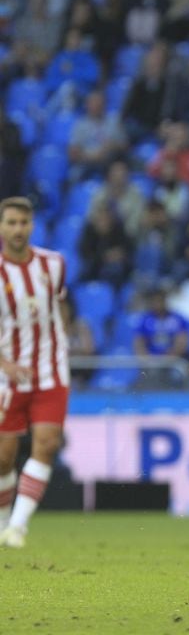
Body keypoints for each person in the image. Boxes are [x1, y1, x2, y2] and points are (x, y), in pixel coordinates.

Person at [0, 198, 70, 548]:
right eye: (11, 222)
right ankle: (2, 525)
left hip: (51, 371)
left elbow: (60, 304)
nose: (18, 229)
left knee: (47, 443)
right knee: (3, 457)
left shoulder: (53, 264)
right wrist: (5, 365)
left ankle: (18, 526)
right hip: (7, 377)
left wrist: (64, 340)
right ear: (1, 227)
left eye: (23, 222)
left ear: (32, 225)